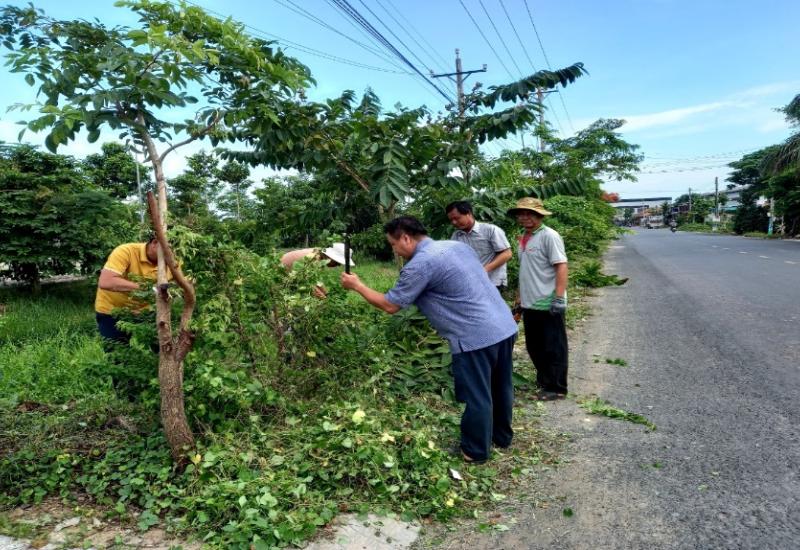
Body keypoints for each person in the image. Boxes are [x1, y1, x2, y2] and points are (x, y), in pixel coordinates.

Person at [340, 216, 518, 464]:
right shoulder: (457, 246)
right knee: (501, 386)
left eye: (393, 244)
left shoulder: (420, 264)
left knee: (477, 395)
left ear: (405, 237)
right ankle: (502, 437)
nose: (394, 249)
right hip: (503, 324)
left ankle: (475, 451)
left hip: (474, 337)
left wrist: (357, 285)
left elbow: (391, 305)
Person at [508, 197, 569, 401]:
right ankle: (544, 381)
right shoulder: (524, 238)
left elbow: (561, 265)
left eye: (530, 213)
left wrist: (559, 298)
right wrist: (519, 300)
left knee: (553, 346)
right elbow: (526, 272)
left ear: (539, 215)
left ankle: (557, 387)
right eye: (521, 213)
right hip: (530, 302)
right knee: (534, 346)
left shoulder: (549, 236)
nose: (525, 217)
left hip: (547, 301)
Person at [94, 236, 171, 345]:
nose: (172, 256)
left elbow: (181, 282)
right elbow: (106, 281)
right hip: (112, 311)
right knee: (116, 353)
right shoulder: (126, 251)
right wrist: (148, 290)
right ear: (154, 243)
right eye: (168, 250)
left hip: (148, 312)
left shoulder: (173, 259)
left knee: (161, 349)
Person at [446, 200, 513, 291]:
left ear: (468, 213)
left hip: (492, 282)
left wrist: (483, 270)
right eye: (451, 220)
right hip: (470, 284)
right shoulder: (456, 236)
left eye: (457, 218)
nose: (454, 222)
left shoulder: (490, 230)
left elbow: (507, 253)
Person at [280, 243, 354, 298]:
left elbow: (315, 281)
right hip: (278, 276)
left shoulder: (319, 256)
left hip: (289, 277)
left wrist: (326, 294)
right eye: (337, 262)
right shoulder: (313, 258)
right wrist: (325, 300)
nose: (338, 265)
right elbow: (309, 285)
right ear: (332, 257)